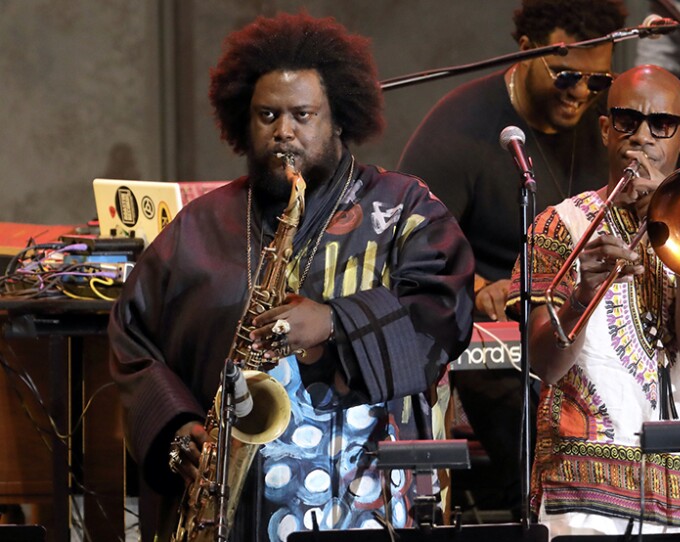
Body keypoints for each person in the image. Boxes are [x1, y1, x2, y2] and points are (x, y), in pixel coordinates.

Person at [108, 12, 474, 542]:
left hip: (367, 498)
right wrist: (176, 427)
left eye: (302, 114)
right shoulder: (200, 226)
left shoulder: (405, 210)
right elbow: (131, 337)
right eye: (267, 115)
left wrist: (332, 322)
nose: (284, 131)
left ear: (339, 119)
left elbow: (442, 314)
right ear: (243, 121)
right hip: (231, 509)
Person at [398, 0, 628, 518]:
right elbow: (408, 243)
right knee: (532, 431)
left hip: (596, 324)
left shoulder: (606, 122)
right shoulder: (460, 127)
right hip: (499, 342)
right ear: (527, 51)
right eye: (567, 75)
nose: (581, 93)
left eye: (598, 81)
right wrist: (480, 285)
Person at [509, 64, 680, 536]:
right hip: (580, 496)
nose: (641, 136)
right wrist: (583, 294)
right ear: (604, 129)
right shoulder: (559, 225)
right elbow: (545, 365)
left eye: (661, 125)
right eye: (626, 121)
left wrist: (679, 230)